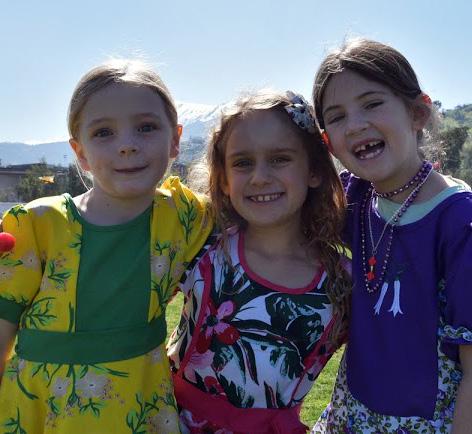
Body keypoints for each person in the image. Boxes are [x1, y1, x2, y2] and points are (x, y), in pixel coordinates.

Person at [0, 59, 212, 433]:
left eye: (146, 127)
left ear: (175, 139)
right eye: (103, 133)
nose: (127, 145)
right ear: (80, 152)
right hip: (43, 413)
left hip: (142, 409)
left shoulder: (185, 215)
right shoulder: (37, 226)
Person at [311, 38, 472, 433]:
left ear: (418, 113)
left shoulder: (458, 220)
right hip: (349, 414)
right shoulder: (353, 197)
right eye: (337, 116)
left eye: (372, 104)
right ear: (328, 142)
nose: (355, 125)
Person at [167, 90, 352, 433]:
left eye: (280, 159)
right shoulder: (202, 247)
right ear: (223, 178)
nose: (260, 177)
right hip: (167, 424)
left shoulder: (344, 282)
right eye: (242, 163)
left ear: (314, 170)